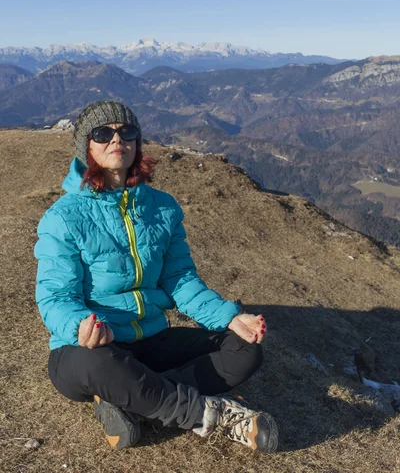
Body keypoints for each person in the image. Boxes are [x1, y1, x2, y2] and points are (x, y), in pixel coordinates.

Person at [35, 100, 278, 453]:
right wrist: (79, 328)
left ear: (137, 143)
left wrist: (230, 317)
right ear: (86, 147)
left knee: (246, 350)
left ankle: (130, 400)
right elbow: (55, 297)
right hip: (90, 351)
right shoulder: (64, 216)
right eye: (103, 133)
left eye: (127, 131)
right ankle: (213, 416)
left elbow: (180, 278)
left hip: (150, 340)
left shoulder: (162, 208)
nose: (117, 139)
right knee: (98, 361)